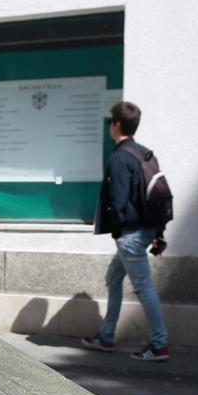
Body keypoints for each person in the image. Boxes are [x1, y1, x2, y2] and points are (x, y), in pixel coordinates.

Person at [83, 100, 169, 361]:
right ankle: (107, 335)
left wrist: (119, 232)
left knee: (143, 287)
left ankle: (159, 345)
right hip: (144, 231)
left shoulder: (120, 157)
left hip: (129, 236)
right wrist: (158, 232)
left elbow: (118, 203)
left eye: (111, 121)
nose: (110, 125)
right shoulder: (145, 154)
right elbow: (157, 197)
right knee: (113, 278)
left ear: (117, 125)